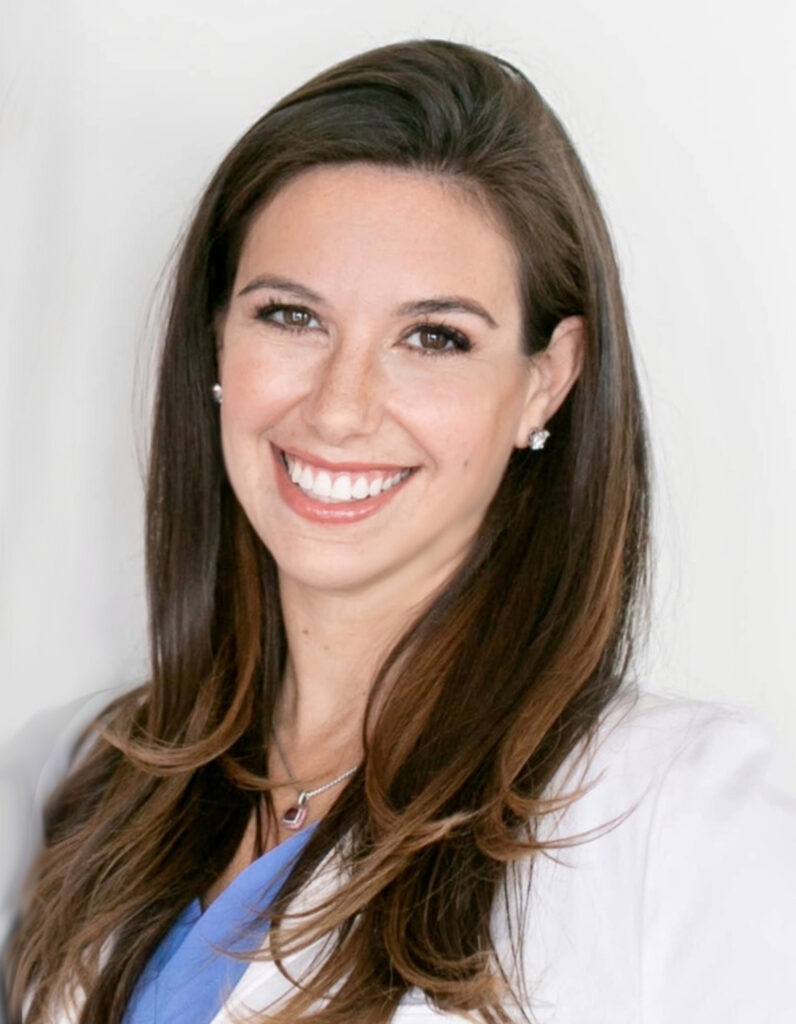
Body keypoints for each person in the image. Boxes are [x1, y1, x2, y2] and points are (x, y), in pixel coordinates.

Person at [2, 38, 795, 1024]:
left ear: (545, 378)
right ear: (216, 337)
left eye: (432, 338)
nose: (339, 409)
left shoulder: (674, 816)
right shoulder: (93, 783)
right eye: (291, 316)